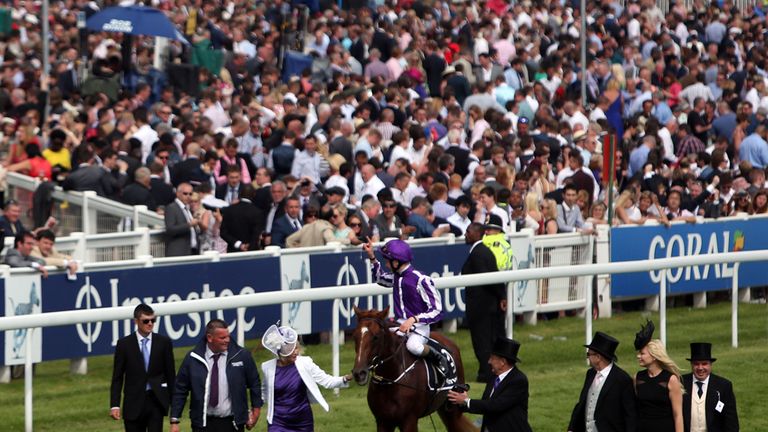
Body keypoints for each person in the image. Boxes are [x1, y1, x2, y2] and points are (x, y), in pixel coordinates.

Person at [363, 238, 448, 373]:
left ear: (396, 262)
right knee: (377, 337)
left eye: (387, 261)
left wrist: (414, 319)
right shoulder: (396, 277)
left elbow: (437, 310)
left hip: (419, 328)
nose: (386, 264)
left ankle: (438, 357)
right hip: (399, 324)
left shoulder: (421, 279)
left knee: (413, 346)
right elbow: (380, 278)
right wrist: (372, 257)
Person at [171, 319, 262, 432]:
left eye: (228, 336)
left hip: (232, 424)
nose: (227, 340)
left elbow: (255, 383)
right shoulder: (193, 358)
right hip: (202, 424)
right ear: (209, 338)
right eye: (222, 338)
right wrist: (174, 420)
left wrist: (256, 410)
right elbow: (180, 389)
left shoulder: (242, 356)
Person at [260, 324, 352, 431]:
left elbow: (326, 380)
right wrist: (253, 409)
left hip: (302, 421)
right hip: (278, 422)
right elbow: (264, 394)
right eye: (292, 349)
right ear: (283, 352)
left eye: (297, 348)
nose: (297, 352)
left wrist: (345, 378)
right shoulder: (267, 368)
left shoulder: (305, 363)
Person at [110, 304, 176, 432]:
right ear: (136, 321)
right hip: (133, 403)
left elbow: (171, 376)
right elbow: (117, 377)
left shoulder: (163, 342)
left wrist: (175, 410)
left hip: (156, 401)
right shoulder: (124, 345)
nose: (150, 323)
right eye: (146, 321)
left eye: (153, 320)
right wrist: (115, 405)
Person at [447, 337, 532, 432]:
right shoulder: (494, 377)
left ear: (502, 362)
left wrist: (467, 401)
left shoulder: (518, 380)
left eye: (492, 358)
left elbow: (496, 405)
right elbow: (486, 404)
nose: (489, 361)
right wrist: (462, 402)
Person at [462, 222, 506, 383]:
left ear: (476, 234)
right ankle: (486, 371)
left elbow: (488, 279)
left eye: (468, 231)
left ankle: (487, 373)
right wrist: (501, 296)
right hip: (486, 305)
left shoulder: (479, 253)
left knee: (483, 341)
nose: (465, 234)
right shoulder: (482, 252)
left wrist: (501, 296)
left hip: (482, 307)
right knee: (486, 340)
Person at [568, 331, 636, 432]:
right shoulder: (590, 374)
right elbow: (582, 404)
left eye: (589, 354)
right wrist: (572, 428)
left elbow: (630, 415)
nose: (588, 357)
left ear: (598, 357)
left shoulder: (622, 379)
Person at [634, 320, 684, 432]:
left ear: (654, 356)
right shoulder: (638, 378)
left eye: (642, 353)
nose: (638, 356)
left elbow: (678, 415)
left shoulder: (671, 379)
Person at [682, 343, 739, 432]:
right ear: (691, 365)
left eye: (704, 364)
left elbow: (731, 421)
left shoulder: (723, 386)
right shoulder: (681, 383)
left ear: (710, 365)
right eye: (696, 364)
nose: (700, 368)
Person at [164, 182, 200, 256]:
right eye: (185, 193)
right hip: (178, 252)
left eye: (190, 194)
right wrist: (189, 225)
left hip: (192, 250)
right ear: (177, 194)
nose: (188, 196)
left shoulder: (188, 208)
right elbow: (170, 229)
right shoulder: (171, 208)